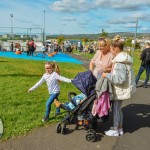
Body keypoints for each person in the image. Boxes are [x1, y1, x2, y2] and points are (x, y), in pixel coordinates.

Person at [102, 40, 136, 136]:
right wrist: (110, 70)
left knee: (115, 110)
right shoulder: (124, 59)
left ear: (116, 49)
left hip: (119, 89)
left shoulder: (120, 61)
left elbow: (120, 79)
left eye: (111, 50)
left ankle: (115, 130)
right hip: (122, 89)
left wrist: (106, 75)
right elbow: (120, 74)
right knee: (118, 109)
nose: (111, 52)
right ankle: (119, 128)